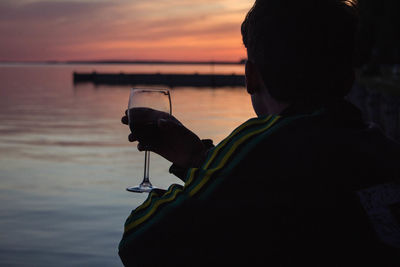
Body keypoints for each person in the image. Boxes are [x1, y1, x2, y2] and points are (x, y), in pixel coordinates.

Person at [119, 0, 400, 266]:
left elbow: (140, 241)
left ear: (250, 76)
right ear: (348, 76)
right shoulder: (380, 147)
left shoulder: (266, 144)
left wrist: (202, 162)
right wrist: (196, 156)